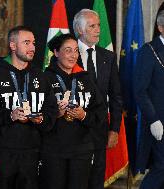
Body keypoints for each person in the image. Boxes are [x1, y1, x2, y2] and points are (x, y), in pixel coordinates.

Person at [0, 25, 57, 189]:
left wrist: (42, 118)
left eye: (33, 43)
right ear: (13, 45)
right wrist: (11, 115)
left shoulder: (41, 77)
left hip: (33, 153)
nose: (32, 47)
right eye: (26, 42)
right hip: (2, 152)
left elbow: (52, 110)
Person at [39, 34, 106, 189]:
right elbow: (36, 114)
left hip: (82, 150)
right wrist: (55, 114)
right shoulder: (44, 79)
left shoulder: (85, 78)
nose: (73, 55)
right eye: (68, 50)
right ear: (56, 52)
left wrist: (84, 115)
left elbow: (100, 110)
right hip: (54, 150)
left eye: (76, 50)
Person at [73, 9, 123, 189]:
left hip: (100, 130)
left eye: (98, 26)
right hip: (73, 132)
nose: (98, 30)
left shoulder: (108, 57)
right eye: (92, 26)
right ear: (80, 30)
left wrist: (114, 129)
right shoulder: (68, 55)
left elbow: (116, 96)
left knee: (96, 180)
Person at [134, 10, 164, 189]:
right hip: (159, 121)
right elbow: (140, 90)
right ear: (160, 27)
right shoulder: (149, 50)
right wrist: (153, 120)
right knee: (161, 167)